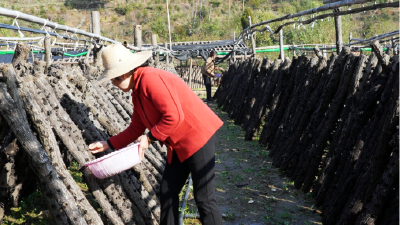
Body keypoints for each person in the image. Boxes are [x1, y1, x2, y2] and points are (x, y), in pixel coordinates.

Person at [88, 44, 224, 225]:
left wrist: (150, 137)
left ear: (124, 74)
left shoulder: (150, 79)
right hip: (179, 144)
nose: (113, 84)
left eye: (113, 79)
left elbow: (174, 116)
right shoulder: (137, 91)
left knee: (204, 198)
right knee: (168, 190)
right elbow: (136, 128)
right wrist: (108, 144)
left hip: (198, 137)